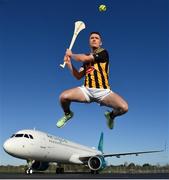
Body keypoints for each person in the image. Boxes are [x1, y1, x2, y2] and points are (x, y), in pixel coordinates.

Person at [56, 32, 128, 129]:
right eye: (92, 38)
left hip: (104, 92)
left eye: (96, 38)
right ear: (89, 42)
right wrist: (69, 63)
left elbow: (85, 58)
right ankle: (68, 114)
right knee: (63, 97)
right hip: (86, 91)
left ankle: (110, 116)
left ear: (100, 42)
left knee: (124, 108)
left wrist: (71, 55)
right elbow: (78, 76)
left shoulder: (103, 53)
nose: (94, 39)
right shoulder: (85, 63)